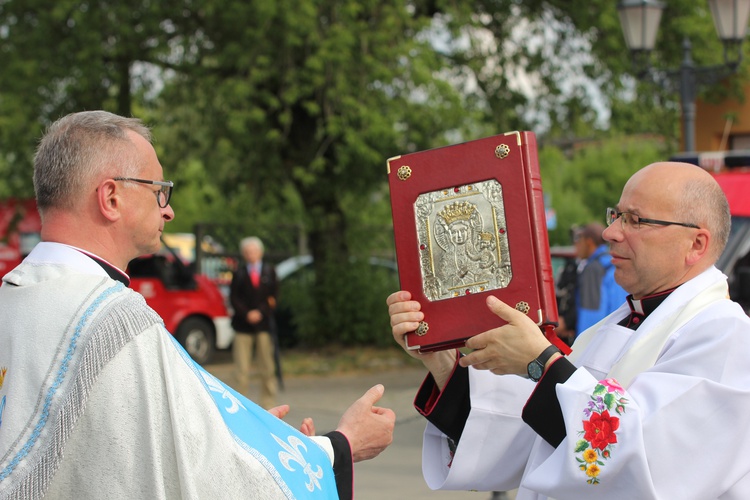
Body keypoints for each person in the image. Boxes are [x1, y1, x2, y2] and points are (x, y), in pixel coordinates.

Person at [0, 110, 395, 500]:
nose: (168, 209)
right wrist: (339, 446)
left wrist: (250, 439)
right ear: (111, 197)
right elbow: (220, 482)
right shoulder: (116, 323)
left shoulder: (10, 296)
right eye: (158, 191)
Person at [387, 161, 750, 499]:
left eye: (635, 221)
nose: (611, 232)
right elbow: (529, 439)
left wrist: (541, 363)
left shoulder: (725, 336)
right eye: (616, 215)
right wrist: (446, 365)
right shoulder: (613, 326)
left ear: (696, 244)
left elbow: (641, 458)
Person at [230, 236, 280, 409]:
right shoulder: (239, 273)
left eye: (254, 251)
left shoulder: (269, 271)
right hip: (243, 326)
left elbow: (273, 297)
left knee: (267, 366)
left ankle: (268, 403)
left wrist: (261, 312)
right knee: (241, 369)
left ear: (260, 252)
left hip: (263, 325)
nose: (251, 254)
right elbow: (234, 298)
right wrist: (247, 314)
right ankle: (240, 404)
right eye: (247, 252)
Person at [572, 222, 628, 336]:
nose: (577, 245)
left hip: (600, 337)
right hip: (621, 331)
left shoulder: (593, 269)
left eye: (580, 240)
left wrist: (581, 346)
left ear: (589, 241)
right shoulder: (614, 262)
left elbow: (591, 314)